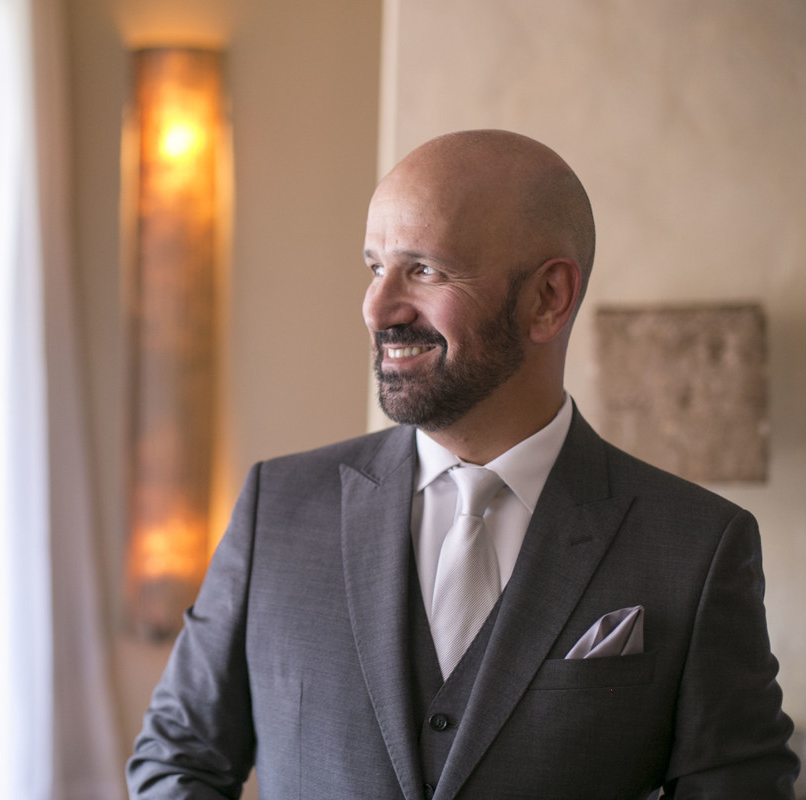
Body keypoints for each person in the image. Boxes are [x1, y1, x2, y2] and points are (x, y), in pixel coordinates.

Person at [126, 130, 799, 799]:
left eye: (424, 269)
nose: (377, 308)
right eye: (374, 267)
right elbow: (176, 760)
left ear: (547, 299)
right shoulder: (278, 507)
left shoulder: (697, 547)